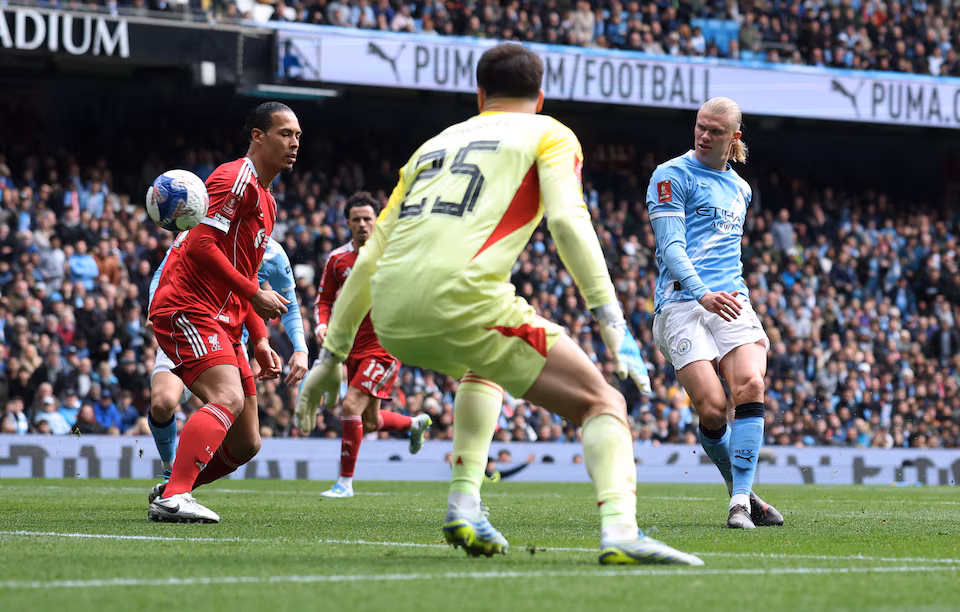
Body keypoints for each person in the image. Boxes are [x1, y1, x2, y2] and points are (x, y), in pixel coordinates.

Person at [298, 43, 702, 566]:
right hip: (463, 298)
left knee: (482, 366)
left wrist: (331, 357)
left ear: (479, 95)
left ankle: (464, 504)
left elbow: (371, 254)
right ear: (540, 97)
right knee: (603, 402)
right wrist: (611, 318)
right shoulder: (548, 132)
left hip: (390, 314)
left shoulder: (432, 146)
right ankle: (621, 530)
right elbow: (567, 220)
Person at [147, 101, 300, 523]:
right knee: (227, 398)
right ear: (258, 136)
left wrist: (261, 339)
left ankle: (175, 488)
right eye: (285, 133)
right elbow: (200, 244)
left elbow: (244, 275)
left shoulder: (267, 200)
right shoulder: (234, 178)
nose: (294, 143)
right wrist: (255, 294)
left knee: (248, 441)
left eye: (298, 136)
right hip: (188, 307)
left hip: (224, 319)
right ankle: (175, 495)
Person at [645, 96, 784, 530]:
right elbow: (671, 248)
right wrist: (702, 293)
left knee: (752, 383)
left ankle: (739, 501)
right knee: (712, 408)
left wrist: (720, 295)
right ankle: (740, 489)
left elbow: (728, 254)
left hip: (731, 300)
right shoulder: (671, 175)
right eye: (700, 127)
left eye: (716, 131)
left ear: (734, 137)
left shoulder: (741, 189)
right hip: (681, 303)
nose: (704, 136)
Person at [145, 235, 309, 490]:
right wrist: (153, 304)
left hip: (231, 341)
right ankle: (170, 473)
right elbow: (164, 269)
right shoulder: (203, 233)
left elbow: (279, 302)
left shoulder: (273, 255)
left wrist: (298, 348)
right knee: (163, 402)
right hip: (189, 326)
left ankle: (175, 487)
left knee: (248, 443)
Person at [311, 191, 432, 499]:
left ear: (377, 221)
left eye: (368, 218)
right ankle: (413, 424)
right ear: (347, 223)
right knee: (371, 421)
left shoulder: (394, 255)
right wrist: (322, 324)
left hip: (384, 347)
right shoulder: (337, 259)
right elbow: (324, 300)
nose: (363, 224)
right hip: (351, 348)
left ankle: (344, 483)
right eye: (356, 219)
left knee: (350, 405)